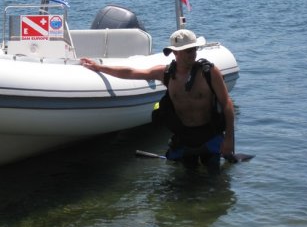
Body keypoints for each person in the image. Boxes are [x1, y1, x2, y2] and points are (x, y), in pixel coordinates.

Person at [80, 29, 235, 174]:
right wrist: (99, 67)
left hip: (209, 133)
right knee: (188, 178)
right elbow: (131, 72)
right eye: (188, 50)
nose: (193, 54)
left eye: (194, 49)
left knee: (215, 177)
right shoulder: (165, 73)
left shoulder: (209, 72)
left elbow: (226, 103)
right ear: (176, 52)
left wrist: (229, 139)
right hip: (184, 136)